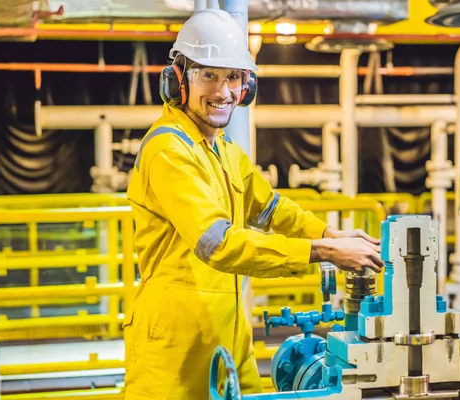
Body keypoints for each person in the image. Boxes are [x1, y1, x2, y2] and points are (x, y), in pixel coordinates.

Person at [122, 7, 384, 400]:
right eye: (209, 75)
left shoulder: (221, 148)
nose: (224, 91)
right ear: (179, 81)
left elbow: (271, 208)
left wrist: (331, 233)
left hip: (228, 335)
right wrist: (326, 251)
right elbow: (219, 244)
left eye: (234, 77)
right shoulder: (168, 150)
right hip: (173, 348)